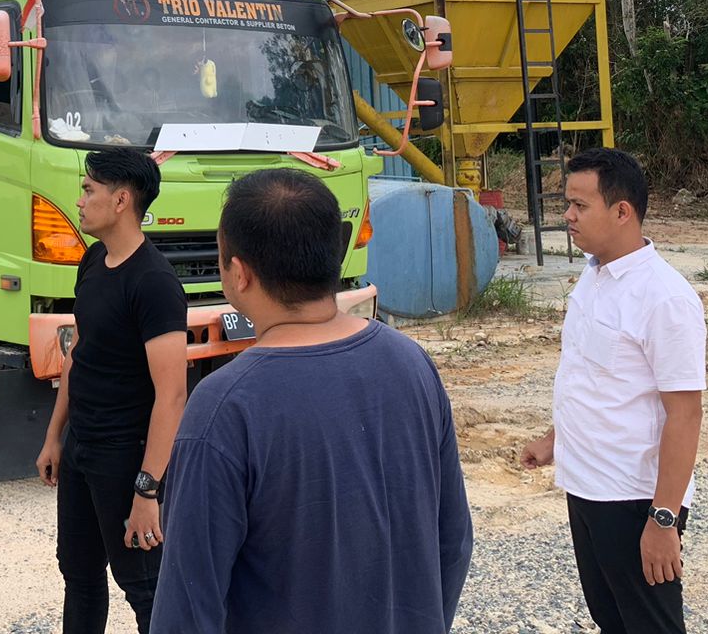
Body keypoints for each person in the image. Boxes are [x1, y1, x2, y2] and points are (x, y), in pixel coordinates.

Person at [150, 168, 472, 634]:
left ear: (239, 273)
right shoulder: (411, 363)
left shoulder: (224, 406)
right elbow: (454, 539)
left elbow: (188, 605)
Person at [521, 148, 707, 634]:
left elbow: (685, 415)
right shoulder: (594, 274)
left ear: (622, 212)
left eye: (580, 206)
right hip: (584, 486)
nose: (567, 216)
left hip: (633, 499)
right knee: (612, 619)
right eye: (568, 203)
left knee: (651, 626)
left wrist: (663, 521)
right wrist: (554, 439)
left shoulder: (665, 298)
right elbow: (589, 376)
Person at [36, 148, 188, 634]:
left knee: (144, 587)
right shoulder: (93, 259)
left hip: (125, 458)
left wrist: (148, 488)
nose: (79, 200)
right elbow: (78, 353)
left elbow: (172, 395)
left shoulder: (155, 282)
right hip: (82, 448)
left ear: (121, 200)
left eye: (88, 190)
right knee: (78, 575)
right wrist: (55, 436)